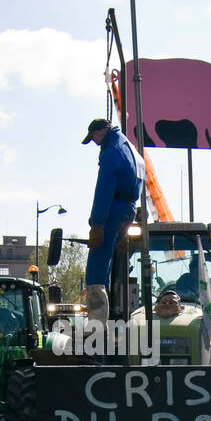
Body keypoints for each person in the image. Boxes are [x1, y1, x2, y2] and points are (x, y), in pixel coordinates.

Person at [82, 118, 143, 323]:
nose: (95, 142)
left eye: (94, 137)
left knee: (97, 262)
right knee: (113, 261)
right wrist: (126, 228)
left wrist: (97, 223)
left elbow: (104, 190)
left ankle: (97, 323)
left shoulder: (111, 152)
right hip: (128, 209)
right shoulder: (130, 149)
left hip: (114, 209)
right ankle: (111, 315)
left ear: (103, 131)